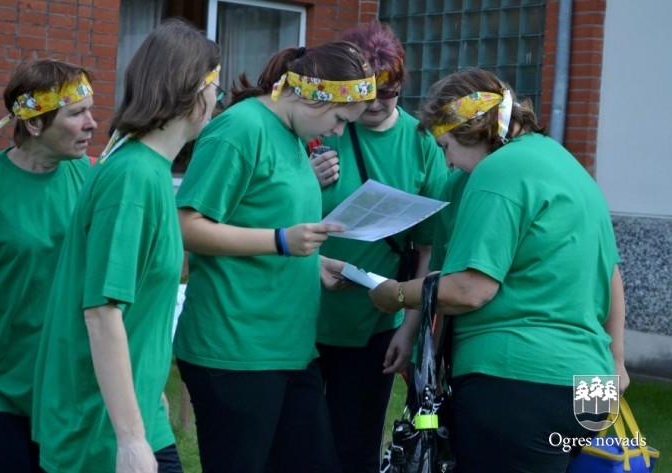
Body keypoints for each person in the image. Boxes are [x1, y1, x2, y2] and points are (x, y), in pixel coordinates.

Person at [369, 67, 629, 473]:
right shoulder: (568, 165)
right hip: (591, 382)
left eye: (446, 145)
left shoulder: (498, 172)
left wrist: (394, 294)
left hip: (518, 377)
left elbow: (472, 290)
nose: (448, 162)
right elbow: (610, 275)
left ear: (471, 130)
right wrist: (618, 363)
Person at [173, 42, 376, 473]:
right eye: (340, 118)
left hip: (290, 350)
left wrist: (315, 264)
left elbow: (260, 218)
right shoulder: (240, 129)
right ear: (310, 95)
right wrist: (282, 241)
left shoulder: (293, 136)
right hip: (236, 351)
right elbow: (186, 226)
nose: (340, 132)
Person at [31, 19, 221, 473]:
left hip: (133, 413)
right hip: (99, 431)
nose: (219, 100)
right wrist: (131, 441)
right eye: (215, 85)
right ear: (192, 91)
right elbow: (101, 313)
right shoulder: (132, 178)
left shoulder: (147, 168)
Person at [307, 22, 449, 473]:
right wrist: (302, 179)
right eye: (366, 94)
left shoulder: (421, 142)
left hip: (374, 321)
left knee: (357, 447)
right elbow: (271, 214)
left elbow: (428, 249)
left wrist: (408, 330)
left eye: (386, 95)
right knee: (301, 445)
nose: (374, 104)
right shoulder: (322, 126)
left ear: (400, 86)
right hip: (303, 315)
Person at [0, 58, 96, 473]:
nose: (92, 123)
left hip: (70, 386)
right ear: (34, 123)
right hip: (0, 387)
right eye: (77, 114)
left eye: (90, 109)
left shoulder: (90, 179)